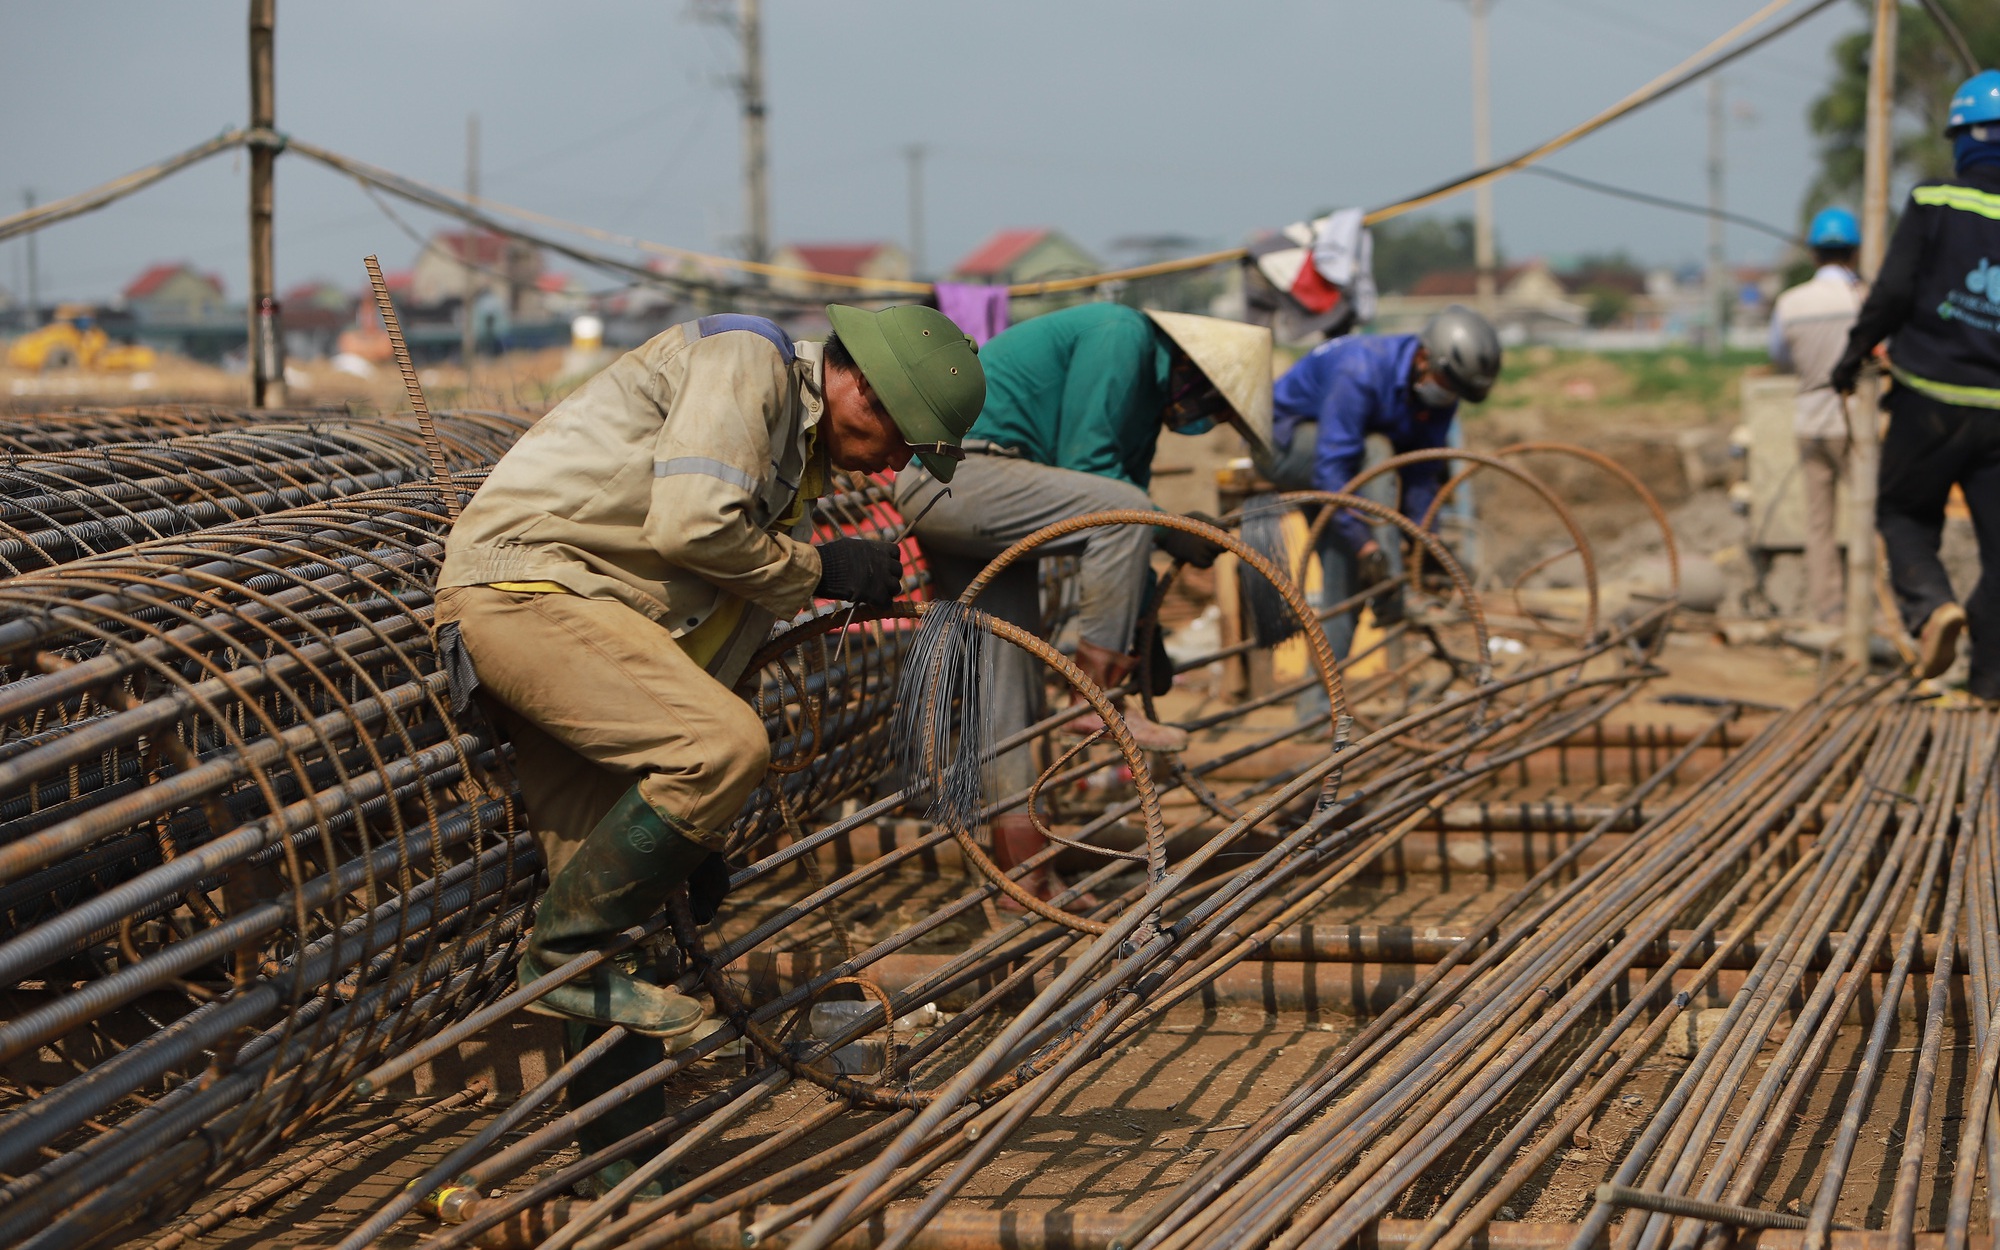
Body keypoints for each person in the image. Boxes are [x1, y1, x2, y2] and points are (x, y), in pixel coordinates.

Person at [435, 304, 983, 1192]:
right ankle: (555, 957)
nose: (895, 466)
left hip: (599, 630)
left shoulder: (792, 464)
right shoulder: (749, 361)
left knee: (624, 930)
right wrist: (824, 572)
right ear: (862, 387)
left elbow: (713, 645)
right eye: (902, 439)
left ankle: (620, 1179)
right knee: (725, 751)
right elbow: (691, 527)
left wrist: (695, 837)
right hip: (530, 593)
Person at [894, 302, 1272, 900]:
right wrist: (1164, 529)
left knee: (1005, 696)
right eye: (1209, 402)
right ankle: (1093, 697)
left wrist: (1146, 628)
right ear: (1191, 368)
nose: (1201, 415)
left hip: (979, 497)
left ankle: (1026, 886)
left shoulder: (1143, 402)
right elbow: (1103, 488)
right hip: (963, 479)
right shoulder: (1122, 334)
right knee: (1129, 514)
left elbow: (1118, 508)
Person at [1832, 70, 2000, 696]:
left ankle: (1932, 608)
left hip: (1930, 398)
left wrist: (1850, 360)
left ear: (1964, 139)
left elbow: (1893, 294)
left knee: (1902, 513)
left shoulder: (1937, 203)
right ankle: (1990, 684)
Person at [1264, 304, 1502, 662]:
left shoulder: (1438, 390)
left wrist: (1426, 543)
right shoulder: (1361, 369)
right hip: (1281, 445)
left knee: (1344, 586)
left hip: (1343, 465)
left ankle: (1318, 712)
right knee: (1377, 451)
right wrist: (1366, 545)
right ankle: (1391, 587)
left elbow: (1421, 473)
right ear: (1424, 358)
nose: (1449, 397)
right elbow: (1333, 467)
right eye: (1448, 386)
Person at [1769, 206, 1864, 624]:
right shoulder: (1865, 299)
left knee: (1819, 525)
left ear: (1813, 254)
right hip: (1856, 422)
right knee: (1870, 516)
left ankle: (1829, 612)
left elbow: (1779, 357)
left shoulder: (1790, 303)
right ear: (1855, 252)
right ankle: (1873, 607)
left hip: (1809, 421)